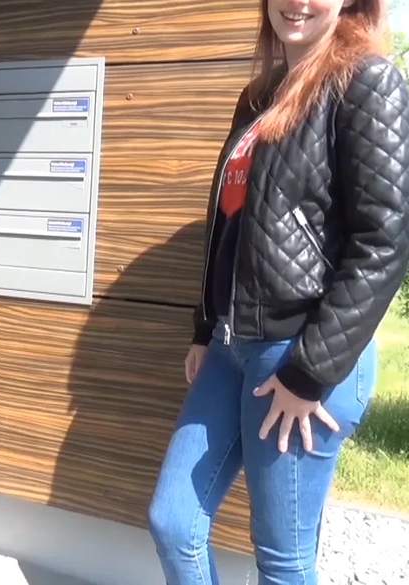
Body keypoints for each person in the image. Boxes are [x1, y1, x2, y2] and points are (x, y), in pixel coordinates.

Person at [147, 0, 409, 583]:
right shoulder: (258, 97)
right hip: (232, 346)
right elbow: (230, 224)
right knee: (174, 522)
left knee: (283, 561)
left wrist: (310, 373)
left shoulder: (366, 82)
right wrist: (205, 327)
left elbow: (384, 241)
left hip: (303, 354)